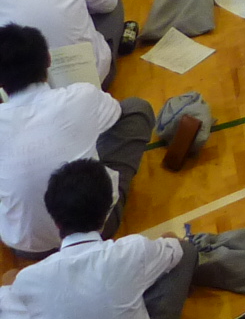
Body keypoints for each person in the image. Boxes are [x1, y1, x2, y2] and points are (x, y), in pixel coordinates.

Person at [0, 159, 197, 319]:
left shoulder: (32, 280)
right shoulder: (132, 250)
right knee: (186, 251)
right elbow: (176, 251)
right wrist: (169, 240)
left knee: (14, 295)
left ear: (56, 221)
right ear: (106, 213)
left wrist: (15, 281)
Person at [0, 24, 157, 259]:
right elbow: (115, 115)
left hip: (27, 245)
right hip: (96, 227)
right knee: (136, 109)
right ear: (49, 59)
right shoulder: (81, 95)